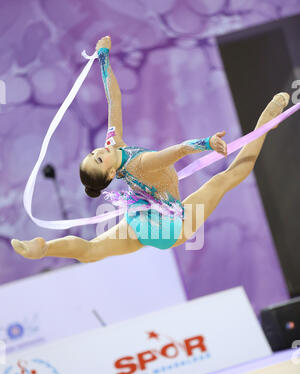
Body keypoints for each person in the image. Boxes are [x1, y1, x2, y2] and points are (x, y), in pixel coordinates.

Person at [11, 35, 289, 263]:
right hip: (171, 227)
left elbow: (114, 100)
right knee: (227, 177)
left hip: (141, 221)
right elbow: (177, 151)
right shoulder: (139, 164)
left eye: (92, 154)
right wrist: (205, 143)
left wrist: (104, 58)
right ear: (109, 173)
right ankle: (264, 125)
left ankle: (44, 248)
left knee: (92, 250)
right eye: (97, 160)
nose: (98, 151)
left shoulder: (114, 145)